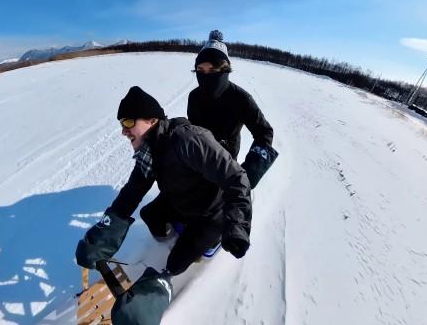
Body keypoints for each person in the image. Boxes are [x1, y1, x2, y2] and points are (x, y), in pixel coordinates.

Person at [76, 86, 252, 277]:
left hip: (210, 212)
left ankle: (205, 243)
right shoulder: (149, 151)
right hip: (181, 201)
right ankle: (176, 240)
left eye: (128, 122)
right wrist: (102, 236)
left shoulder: (189, 140)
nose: (123, 131)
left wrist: (237, 225)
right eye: (121, 124)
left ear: (151, 120)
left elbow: (236, 177)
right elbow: (132, 191)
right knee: (149, 215)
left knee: (175, 264)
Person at [188, 30, 277, 189]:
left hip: (226, 163)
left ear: (224, 69)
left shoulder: (241, 99)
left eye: (213, 70)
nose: (205, 76)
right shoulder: (194, 96)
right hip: (197, 163)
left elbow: (264, 132)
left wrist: (248, 175)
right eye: (200, 70)